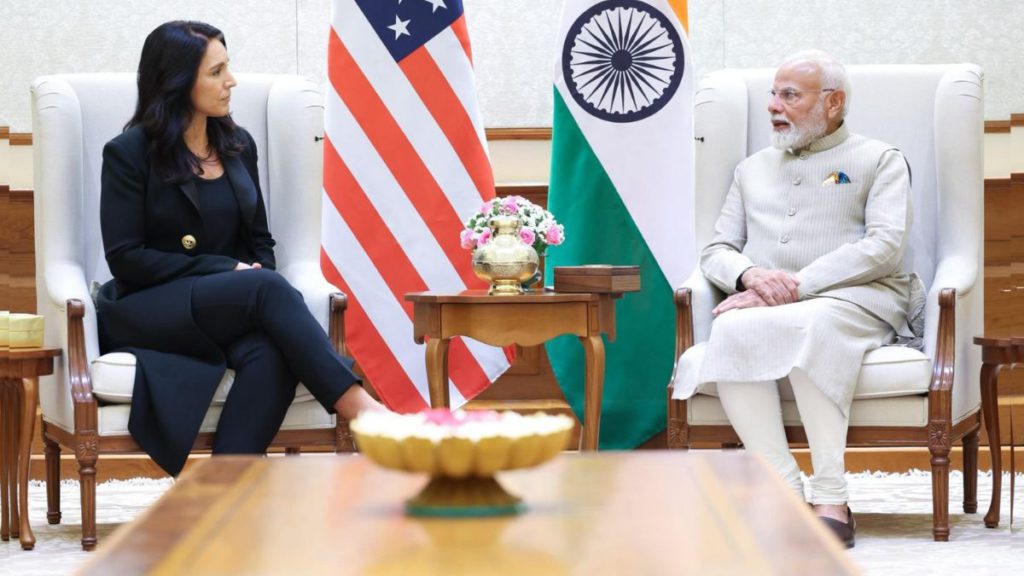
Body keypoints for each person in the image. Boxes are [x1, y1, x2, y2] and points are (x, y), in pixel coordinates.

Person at [98, 20, 384, 476]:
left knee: (272, 355)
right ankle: (363, 410)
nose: (231, 80)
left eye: (227, 67)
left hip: (225, 306)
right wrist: (228, 271)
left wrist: (250, 273)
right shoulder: (129, 152)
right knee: (265, 288)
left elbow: (259, 241)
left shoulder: (236, 144)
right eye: (216, 72)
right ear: (176, 81)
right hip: (147, 307)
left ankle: (225, 490)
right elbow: (126, 259)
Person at [674, 50, 913, 548]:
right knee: (732, 328)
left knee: (812, 323)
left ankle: (831, 494)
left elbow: (885, 246)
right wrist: (749, 276)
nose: (773, 106)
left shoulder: (879, 159)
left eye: (790, 95)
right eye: (773, 94)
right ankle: (783, 488)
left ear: (833, 102)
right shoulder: (751, 170)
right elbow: (717, 249)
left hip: (858, 298)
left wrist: (796, 288)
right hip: (764, 301)